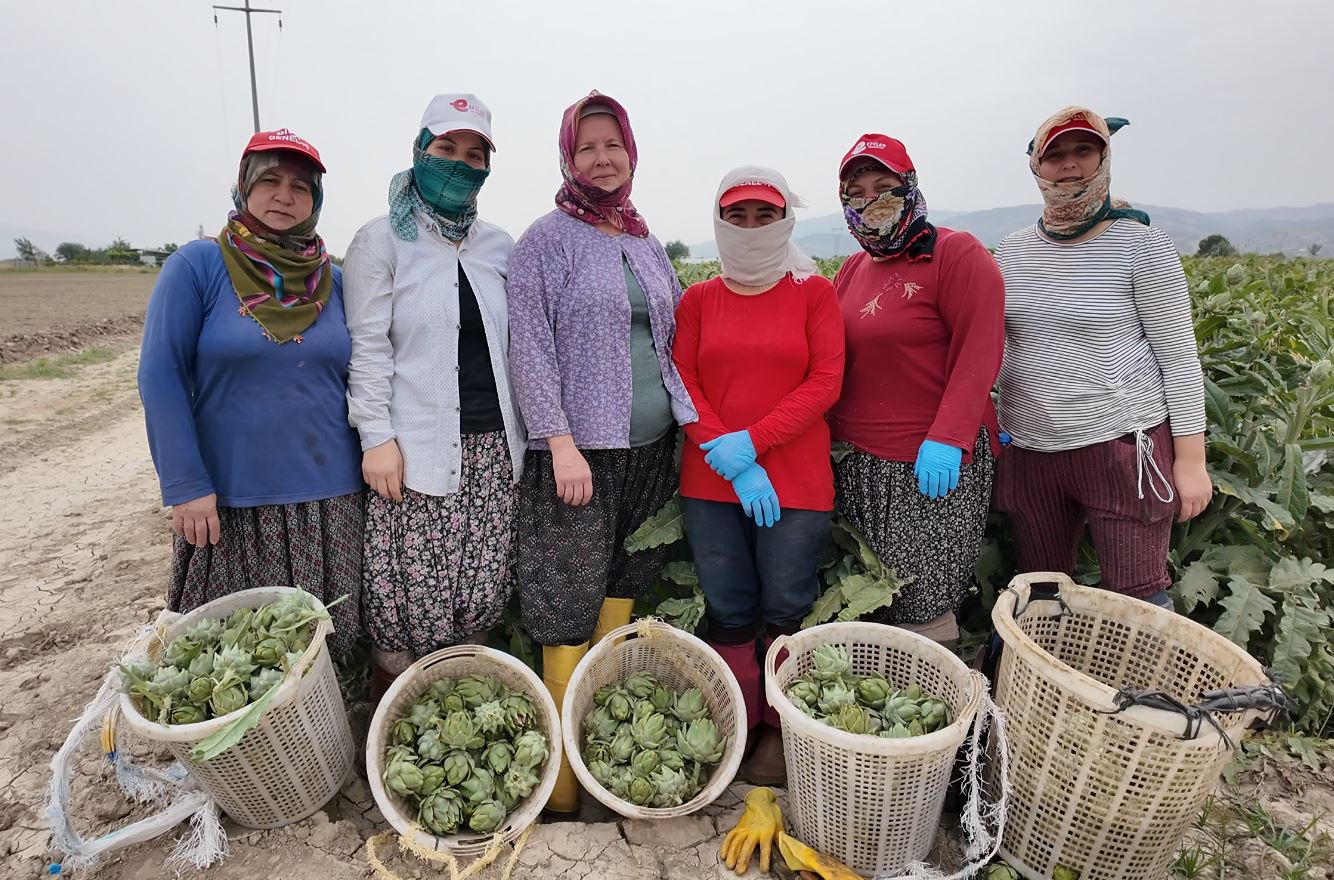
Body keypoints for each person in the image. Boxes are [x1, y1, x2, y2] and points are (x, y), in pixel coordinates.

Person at [507, 90, 697, 813]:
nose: (602, 158)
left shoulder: (644, 243)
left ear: (631, 153)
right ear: (567, 157)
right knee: (564, 593)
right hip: (580, 453)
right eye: (586, 147)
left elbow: (672, 341)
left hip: (652, 445)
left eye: (612, 145)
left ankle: (597, 738)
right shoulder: (544, 243)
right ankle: (558, 778)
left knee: (627, 575)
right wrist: (558, 441)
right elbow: (531, 348)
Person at [138, 129, 363, 653]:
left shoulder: (339, 279)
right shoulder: (197, 266)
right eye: (270, 181)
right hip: (232, 503)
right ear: (243, 187)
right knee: (235, 657)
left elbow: (370, 374)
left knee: (326, 653)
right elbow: (160, 375)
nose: (284, 197)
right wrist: (185, 483)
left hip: (331, 504)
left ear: (317, 200)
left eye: (300, 187)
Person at [343, 94, 527, 700]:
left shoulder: (498, 246)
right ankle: (400, 709)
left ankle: (463, 703)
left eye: (474, 154)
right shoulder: (380, 242)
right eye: (446, 149)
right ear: (419, 152)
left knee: (479, 584)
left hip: (493, 451)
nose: (459, 163)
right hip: (414, 450)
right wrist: (377, 439)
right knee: (409, 592)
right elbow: (368, 349)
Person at [993, 107, 1211, 607]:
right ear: (1036, 167)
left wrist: (1191, 460)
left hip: (1121, 447)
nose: (1069, 164)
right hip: (1032, 450)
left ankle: (1145, 689)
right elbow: (994, 343)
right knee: (1043, 592)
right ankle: (1050, 684)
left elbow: (1179, 357)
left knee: (1138, 597)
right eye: (1056, 155)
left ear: (1103, 159)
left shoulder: (1141, 245)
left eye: (1083, 151)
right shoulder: (1011, 251)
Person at [672, 166, 844, 784]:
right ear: (720, 222)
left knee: (785, 606)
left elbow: (826, 380)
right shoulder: (698, 300)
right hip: (712, 480)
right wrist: (727, 451)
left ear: (785, 220)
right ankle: (738, 717)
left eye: (763, 216)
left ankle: (775, 735)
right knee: (729, 608)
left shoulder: (812, 293)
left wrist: (754, 443)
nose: (749, 227)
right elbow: (683, 382)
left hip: (795, 480)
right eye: (737, 216)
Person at [827, 135, 1005, 651]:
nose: (871, 202)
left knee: (922, 599)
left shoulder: (954, 253)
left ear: (910, 187)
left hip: (928, 462)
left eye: (885, 187)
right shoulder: (855, 268)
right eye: (856, 192)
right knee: (873, 594)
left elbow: (980, 349)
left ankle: (944, 716)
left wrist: (950, 436)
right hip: (858, 461)